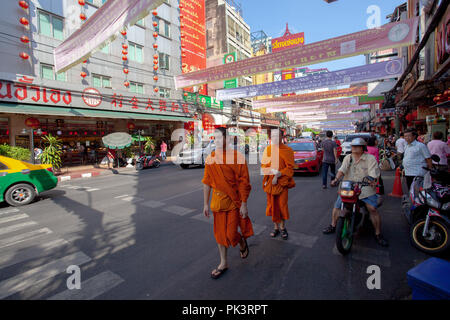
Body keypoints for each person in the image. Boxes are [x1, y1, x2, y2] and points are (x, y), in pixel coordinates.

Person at [202, 127, 253, 279]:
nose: (216, 141)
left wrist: (244, 203)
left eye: (219, 138)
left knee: (230, 235)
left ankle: (242, 243)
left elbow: (245, 182)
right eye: (215, 138)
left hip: (233, 202)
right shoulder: (211, 158)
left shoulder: (237, 157)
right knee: (219, 235)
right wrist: (205, 203)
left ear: (227, 139)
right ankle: (223, 262)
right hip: (218, 203)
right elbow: (207, 182)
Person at [323, 138, 388, 247]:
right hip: (349, 187)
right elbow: (342, 170)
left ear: (363, 148)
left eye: (356, 147)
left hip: (365, 188)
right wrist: (336, 180)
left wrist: (372, 179)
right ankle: (333, 225)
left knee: (372, 209)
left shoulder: (370, 158)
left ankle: (378, 233)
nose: (353, 148)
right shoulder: (348, 157)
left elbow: (374, 172)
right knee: (338, 206)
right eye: (353, 146)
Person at [261, 130, 296, 240]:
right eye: (273, 136)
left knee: (282, 205)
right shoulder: (268, 149)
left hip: (281, 182)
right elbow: (264, 166)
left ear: (282, 137)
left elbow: (290, 168)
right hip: (271, 182)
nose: (275, 138)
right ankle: (275, 227)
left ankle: (282, 227)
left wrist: (279, 174)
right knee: (272, 205)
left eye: (277, 136)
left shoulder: (287, 150)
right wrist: (271, 173)